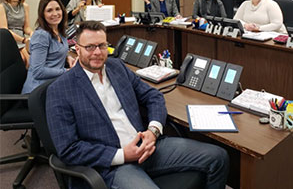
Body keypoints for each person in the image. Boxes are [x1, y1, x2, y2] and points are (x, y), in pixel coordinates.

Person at [46, 20, 229, 189]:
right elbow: (69, 149)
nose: (97, 52)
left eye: (102, 45)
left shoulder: (117, 67)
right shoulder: (60, 90)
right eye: (90, 47)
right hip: (114, 165)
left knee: (218, 157)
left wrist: (153, 131)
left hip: (148, 146)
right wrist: (123, 155)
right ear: (77, 49)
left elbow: (153, 96)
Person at [22, 0, 76, 94]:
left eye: (57, 9)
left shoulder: (59, 30)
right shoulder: (41, 36)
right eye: (49, 10)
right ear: (42, 14)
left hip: (53, 84)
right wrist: (66, 71)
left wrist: (67, 57)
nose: (55, 13)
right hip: (37, 92)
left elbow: (55, 50)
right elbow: (38, 71)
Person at [0, 0, 33, 68]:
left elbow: (26, 27)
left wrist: (32, 33)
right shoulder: (2, 7)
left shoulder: (25, 6)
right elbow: (5, 30)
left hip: (22, 40)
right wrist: (23, 40)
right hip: (9, 39)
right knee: (22, 60)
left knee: (30, 61)